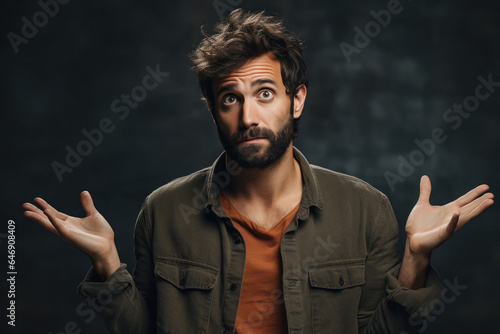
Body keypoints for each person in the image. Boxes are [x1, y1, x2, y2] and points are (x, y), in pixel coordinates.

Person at [23, 9, 494, 334]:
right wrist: (107, 263)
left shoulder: (365, 210)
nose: (248, 116)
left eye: (265, 93)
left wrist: (415, 260)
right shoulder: (164, 211)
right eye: (231, 98)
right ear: (213, 110)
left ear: (298, 99)